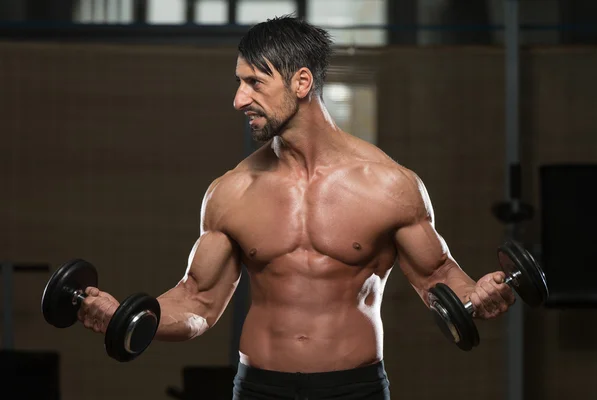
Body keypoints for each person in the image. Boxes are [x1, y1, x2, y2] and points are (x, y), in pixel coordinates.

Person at [78, 16, 516, 400]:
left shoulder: (388, 185)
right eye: (239, 82)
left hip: (353, 389)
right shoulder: (231, 192)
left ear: (302, 83)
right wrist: (131, 316)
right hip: (259, 388)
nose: (239, 99)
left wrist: (479, 294)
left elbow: (438, 277)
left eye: (254, 83)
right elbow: (198, 300)